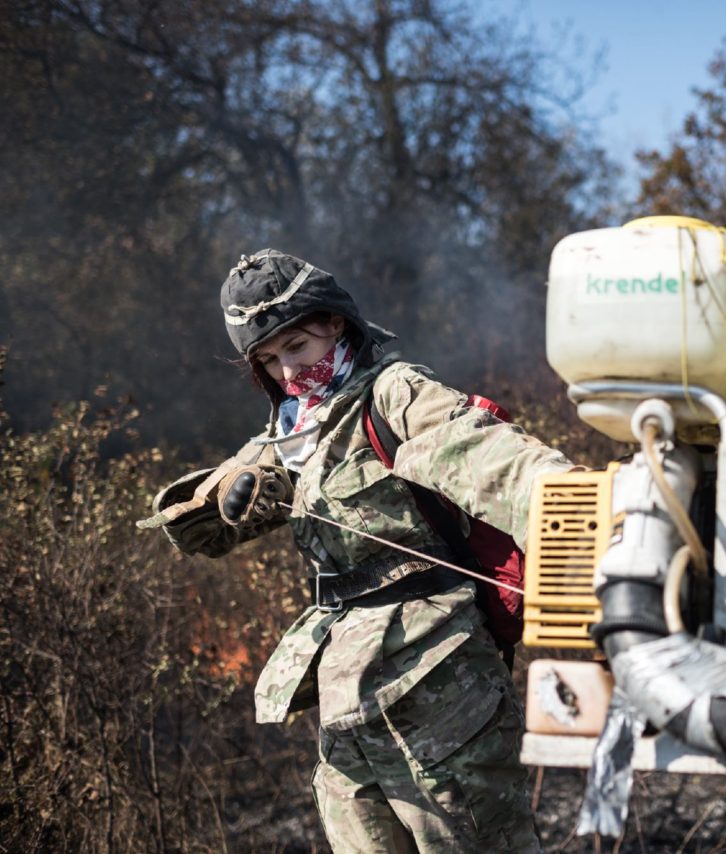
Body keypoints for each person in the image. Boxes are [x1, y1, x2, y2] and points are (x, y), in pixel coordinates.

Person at [139, 249, 572, 852]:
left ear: (335, 323)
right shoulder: (289, 431)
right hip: (345, 696)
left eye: (297, 346)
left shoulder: (395, 393)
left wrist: (584, 502)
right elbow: (197, 533)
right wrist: (232, 493)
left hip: (441, 682)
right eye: (269, 360)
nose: (288, 371)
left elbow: (491, 456)